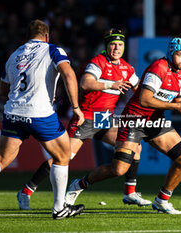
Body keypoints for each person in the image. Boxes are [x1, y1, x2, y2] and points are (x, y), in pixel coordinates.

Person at [0, 20, 85, 222]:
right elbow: (69, 74)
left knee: (0, 160)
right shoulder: (53, 50)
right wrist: (76, 108)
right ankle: (59, 208)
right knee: (63, 155)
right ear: (47, 36)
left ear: (27, 36)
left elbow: (2, 91)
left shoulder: (14, 55)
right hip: (40, 112)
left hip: (13, 113)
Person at [16, 28, 151, 210]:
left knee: (135, 146)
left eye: (120, 45)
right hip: (85, 117)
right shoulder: (98, 62)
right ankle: (25, 192)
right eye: (113, 44)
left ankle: (130, 193)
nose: (116, 48)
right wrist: (112, 84)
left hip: (104, 119)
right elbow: (85, 83)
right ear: (107, 46)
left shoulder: (127, 68)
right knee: (62, 157)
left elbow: (140, 92)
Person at [64, 37, 181, 215]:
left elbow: (178, 99)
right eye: (180, 55)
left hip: (154, 121)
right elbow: (145, 99)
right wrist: (175, 106)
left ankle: (162, 200)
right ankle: (79, 184)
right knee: (118, 169)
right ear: (171, 53)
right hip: (133, 120)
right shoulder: (159, 67)